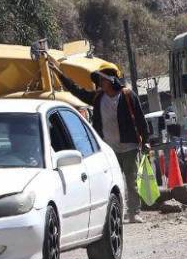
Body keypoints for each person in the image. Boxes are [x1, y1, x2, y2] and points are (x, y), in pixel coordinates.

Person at [52, 61, 151, 222]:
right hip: (108, 149)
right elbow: (77, 91)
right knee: (112, 183)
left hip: (129, 147)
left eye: (102, 80)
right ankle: (116, 213)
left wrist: (146, 141)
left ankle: (134, 212)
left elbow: (140, 119)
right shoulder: (98, 98)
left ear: (111, 80)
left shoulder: (127, 95)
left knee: (131, 181)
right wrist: (59, 74)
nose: (100, 83)